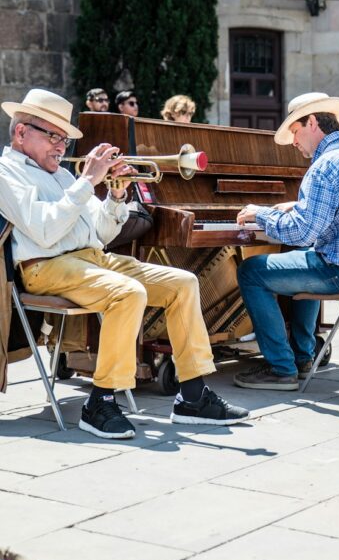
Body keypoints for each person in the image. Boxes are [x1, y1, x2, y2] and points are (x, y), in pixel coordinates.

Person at [0, 89, 248, 439]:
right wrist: (88, 180)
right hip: (45, 266)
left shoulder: (62, 176)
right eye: (52, 136)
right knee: (128, 293)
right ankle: (99, 403)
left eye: (64, 139)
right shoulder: (6, 173)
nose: (60, 146)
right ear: (21, 132)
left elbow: (99, 233)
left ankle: (192, 396)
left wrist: (117, 196)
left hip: (92, 258)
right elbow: (44, 230)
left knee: (183, 283)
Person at [233, 92, 339, 390]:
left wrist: (258, 213)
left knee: (251, 271)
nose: (295, 142)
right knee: (306, 252)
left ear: (312, 122)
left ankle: (281, 369)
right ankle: (303, 356)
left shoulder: (325, 164)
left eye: (295, 131)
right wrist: (297, 206)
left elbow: (302, 232)